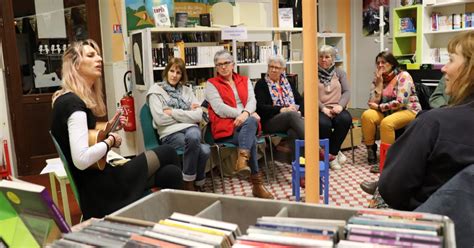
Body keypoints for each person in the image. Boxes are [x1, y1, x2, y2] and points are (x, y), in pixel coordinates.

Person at [50, 39, 183, 219]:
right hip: (103, 190)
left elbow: (86, 138)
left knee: (171, 174)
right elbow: (81, 159)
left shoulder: (66, 99)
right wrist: (110, 141)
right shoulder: (73, 105)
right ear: (75, 65)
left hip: (99, 185)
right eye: (91, 55)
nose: (99, 59)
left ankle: (172, 223)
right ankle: (181, 214)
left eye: (98, 54)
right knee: (167, 152)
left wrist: (107, 129)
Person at [379, 30, 474, 211]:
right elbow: (374, 100)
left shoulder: (433, 124)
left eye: (451, 60)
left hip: (431, 223)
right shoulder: (381, 79)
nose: (443, 68)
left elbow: (391, 190)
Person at [204, 50, 273, 199]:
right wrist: (244, 114)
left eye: (226, 63)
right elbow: (219, 109)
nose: (223, 67)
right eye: (219, 64)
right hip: (225, 127)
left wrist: (245, 115)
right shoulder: (211, 84)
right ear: (216, 67)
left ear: (233, 64)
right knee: (251, 138)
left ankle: (242, 160)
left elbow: (252, 101)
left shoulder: (244, 80)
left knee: (250, 124)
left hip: (245, 123)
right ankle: (256, 183)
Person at [147, 58, 210, 191]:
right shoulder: (155, 91)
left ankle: (188, 181)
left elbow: (199, 115)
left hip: (191, 129)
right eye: (172, 71)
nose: (174, 75)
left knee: (193, 138)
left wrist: (173, 112)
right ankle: (193, 183)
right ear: (166, 71)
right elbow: (160, 120)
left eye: (178, 72)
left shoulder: (187, 91)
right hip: (169, 133)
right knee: (204, 150)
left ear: (182, 75)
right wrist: (187, 112)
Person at [361, 51, 421, 173]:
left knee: (387, 123)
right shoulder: (378, 78)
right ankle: (371, 148)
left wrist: (379, 107)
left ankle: (387, 159)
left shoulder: (403, 75)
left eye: (384, 62)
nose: (380, 65)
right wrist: (379, 84)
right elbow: (372, 102)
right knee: (367, 115)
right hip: (387, 111)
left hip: (408, 110)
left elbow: (401, 101)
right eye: (378, 63)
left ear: (392, 64)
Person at [254, 54, 304, 151]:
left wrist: (299, 111)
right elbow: (260, 107)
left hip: (290, 118)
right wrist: (282, 109)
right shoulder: (261, 84)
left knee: (293, 131)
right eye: (271, 66)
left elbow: (300, 100)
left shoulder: (288, 82)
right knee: (291, 115)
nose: (273, 70)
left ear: (282, 70)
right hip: (270, 121)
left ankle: (298, 162)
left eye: (276, 67)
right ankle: (316, 147)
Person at [318, 45, 352, 170]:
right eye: (321, 57)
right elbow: (310, 95)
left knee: (345, 119)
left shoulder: (340, 73)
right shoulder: (312, 73)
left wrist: (340, 106)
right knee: (323, 124)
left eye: (327, 57)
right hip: (320, 109)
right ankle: (333, 154)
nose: (323, 59)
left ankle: (333, 153)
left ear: (333, 59)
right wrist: (323, 108)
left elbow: (347, 92)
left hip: (337, 107)